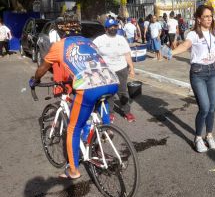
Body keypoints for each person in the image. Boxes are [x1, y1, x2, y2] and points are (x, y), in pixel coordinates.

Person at [29, 18, 120, 179]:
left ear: (60, 32)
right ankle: (104, 130)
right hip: (111, 81)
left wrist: (35, 80)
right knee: (98, 102)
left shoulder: (59, 46)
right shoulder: (90, 43)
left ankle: (73, 170)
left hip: (88, 86)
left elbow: (43, 67)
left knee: (73, 127)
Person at [167, 5, 215, 153]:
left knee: (212, 108)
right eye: (206, 16)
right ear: (198, 19)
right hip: (198, 73)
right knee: (204, 107)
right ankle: (198, 137)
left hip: (212, 72)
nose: (209, 19)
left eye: (211, 16)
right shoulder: (193, 34)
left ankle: (209, 135)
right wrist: (172, 52)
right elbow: (185, 45)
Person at [93, 18, 136, 123]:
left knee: (123, 92)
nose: (113, 28)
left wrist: (132, 68)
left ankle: (127, 112)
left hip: (121, 69)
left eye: (115, 26)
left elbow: (127, 54)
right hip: (107, 71)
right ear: (106, 28)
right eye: (110, 27)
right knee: (109, 93)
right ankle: (110, 113)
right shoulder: (99, 40)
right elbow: (92, 52)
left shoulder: (121, 39)